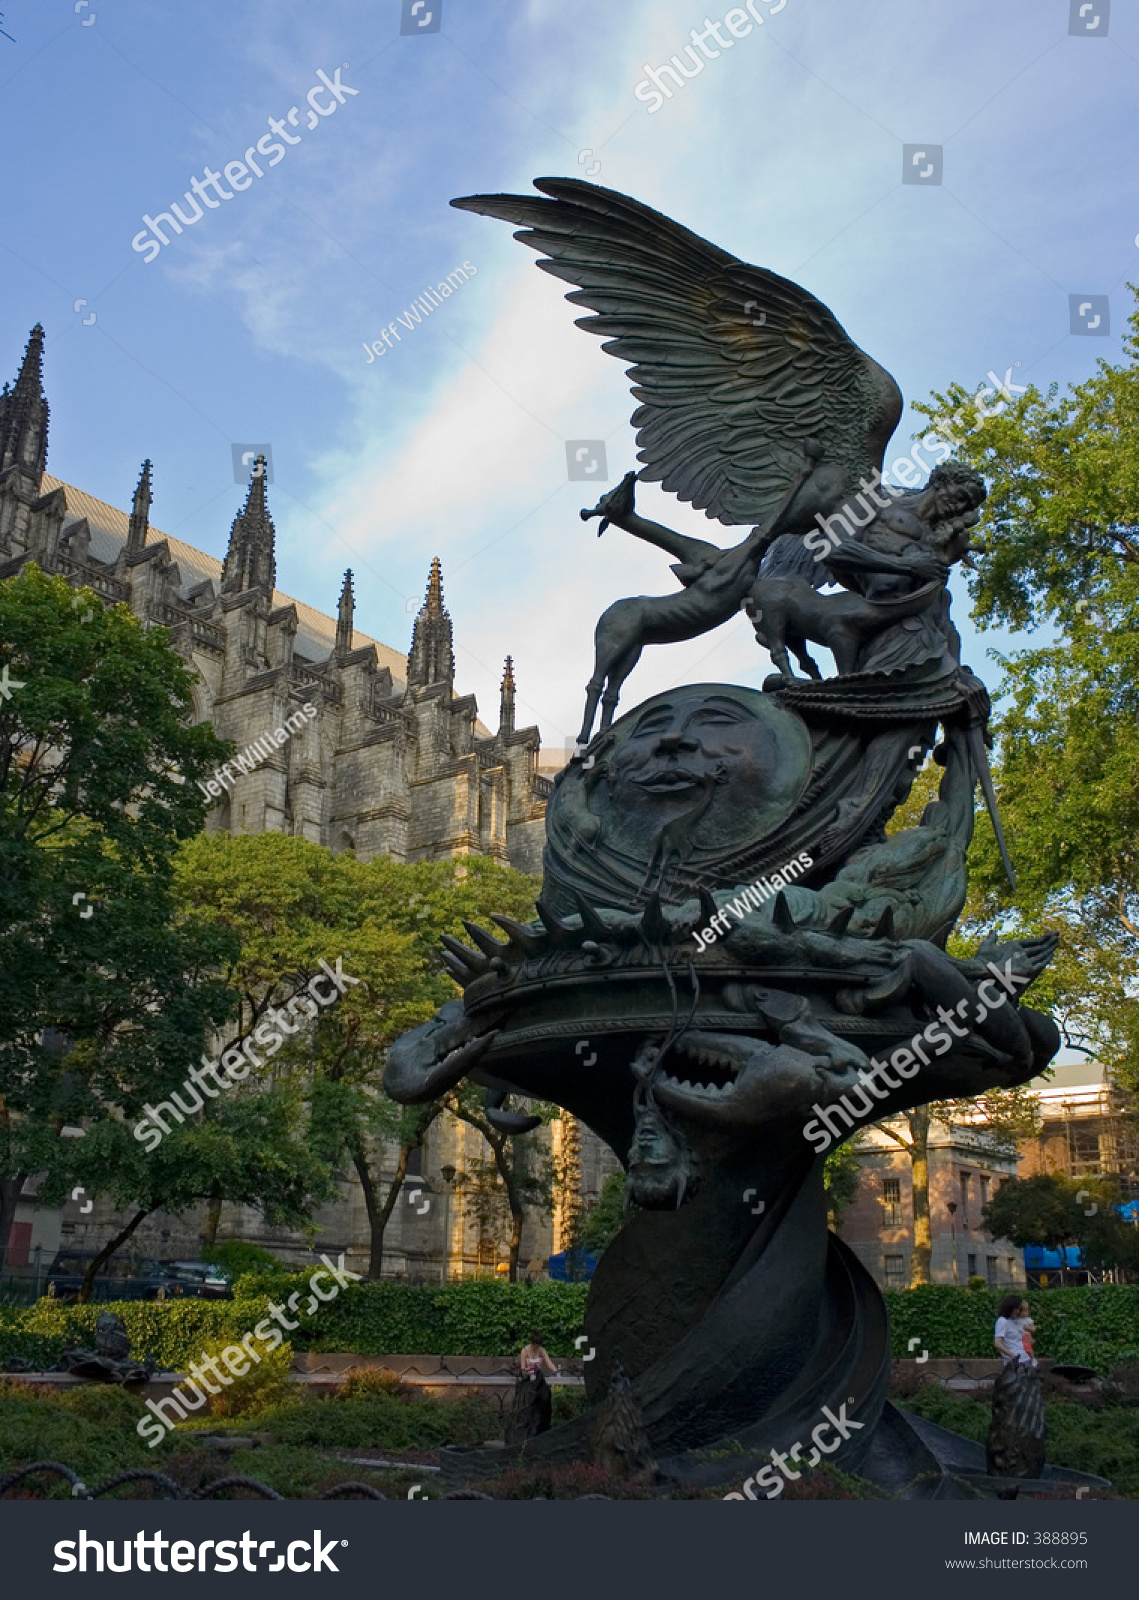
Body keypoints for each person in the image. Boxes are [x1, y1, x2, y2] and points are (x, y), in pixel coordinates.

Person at [994, 1294, 1036, 1366]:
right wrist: (1011, 1355)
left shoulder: (1014, 1320)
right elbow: (997, 1343)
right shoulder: (1002, 1321)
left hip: (1025, 1358)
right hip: (1016, 1361)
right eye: (1018, 1309)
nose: (1018, 1311)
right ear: (1012, 1308)